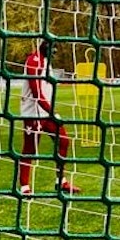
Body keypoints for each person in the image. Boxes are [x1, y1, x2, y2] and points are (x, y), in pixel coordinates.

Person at [18, 39, 79, 196]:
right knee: (30, 149)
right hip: (33, 113)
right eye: (52, 50)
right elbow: (37, 93)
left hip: (46, 112)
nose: (54, 54)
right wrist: (53, 112)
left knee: (63, 141)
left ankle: (61, 181)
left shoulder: (45, 62)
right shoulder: (33, 61)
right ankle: (24, 187)